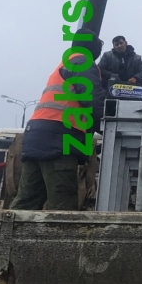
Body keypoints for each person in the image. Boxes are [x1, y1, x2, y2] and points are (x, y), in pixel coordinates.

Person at [11, 31, 106, 211]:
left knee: (27, 203)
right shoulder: (83, 62)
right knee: (62, 206)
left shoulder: (66, 62)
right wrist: (110, 129)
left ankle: (8, 230)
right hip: (58, 140)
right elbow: (94, 101)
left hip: (36, 137)